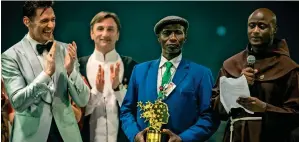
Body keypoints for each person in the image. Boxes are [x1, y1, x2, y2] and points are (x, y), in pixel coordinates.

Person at [120, 15, 220, 142]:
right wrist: (135, 135)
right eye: (166, 33)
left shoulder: (201, 74)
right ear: (158, 38)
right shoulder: (139, 71)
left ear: (185, 37)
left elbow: (210, 117)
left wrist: (183, 139)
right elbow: (126, 111)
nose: (172, 38)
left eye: (178, 33)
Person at [1, 1, 90, 142]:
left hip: (66, 135)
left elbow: (83, 99)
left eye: (53, 19)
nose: (51, 25)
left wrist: (71, 71)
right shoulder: (11, 56)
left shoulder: (66, 50)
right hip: (30, 136)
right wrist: (46, 74)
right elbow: (18, 103)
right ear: (26, 21)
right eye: (44, 21)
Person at [211, 8, 299, 142]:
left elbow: (296, 114)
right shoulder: (231, 65)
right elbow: (216, 109)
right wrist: (238, 84)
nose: (255, 31)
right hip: (236, 136)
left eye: (262, 26)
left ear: (274, 29)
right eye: (252, 26)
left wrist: (264, 108)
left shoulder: (288, 68)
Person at [78, 11, 137, 142]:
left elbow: (136, 109)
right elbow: (76, 113)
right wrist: (97, 92)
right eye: (100, 29)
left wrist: (118, 89)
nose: (105, 34)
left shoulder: (132, 67)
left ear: (118, 35)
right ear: (92, 34)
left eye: (110, 29)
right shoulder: (78, 67)